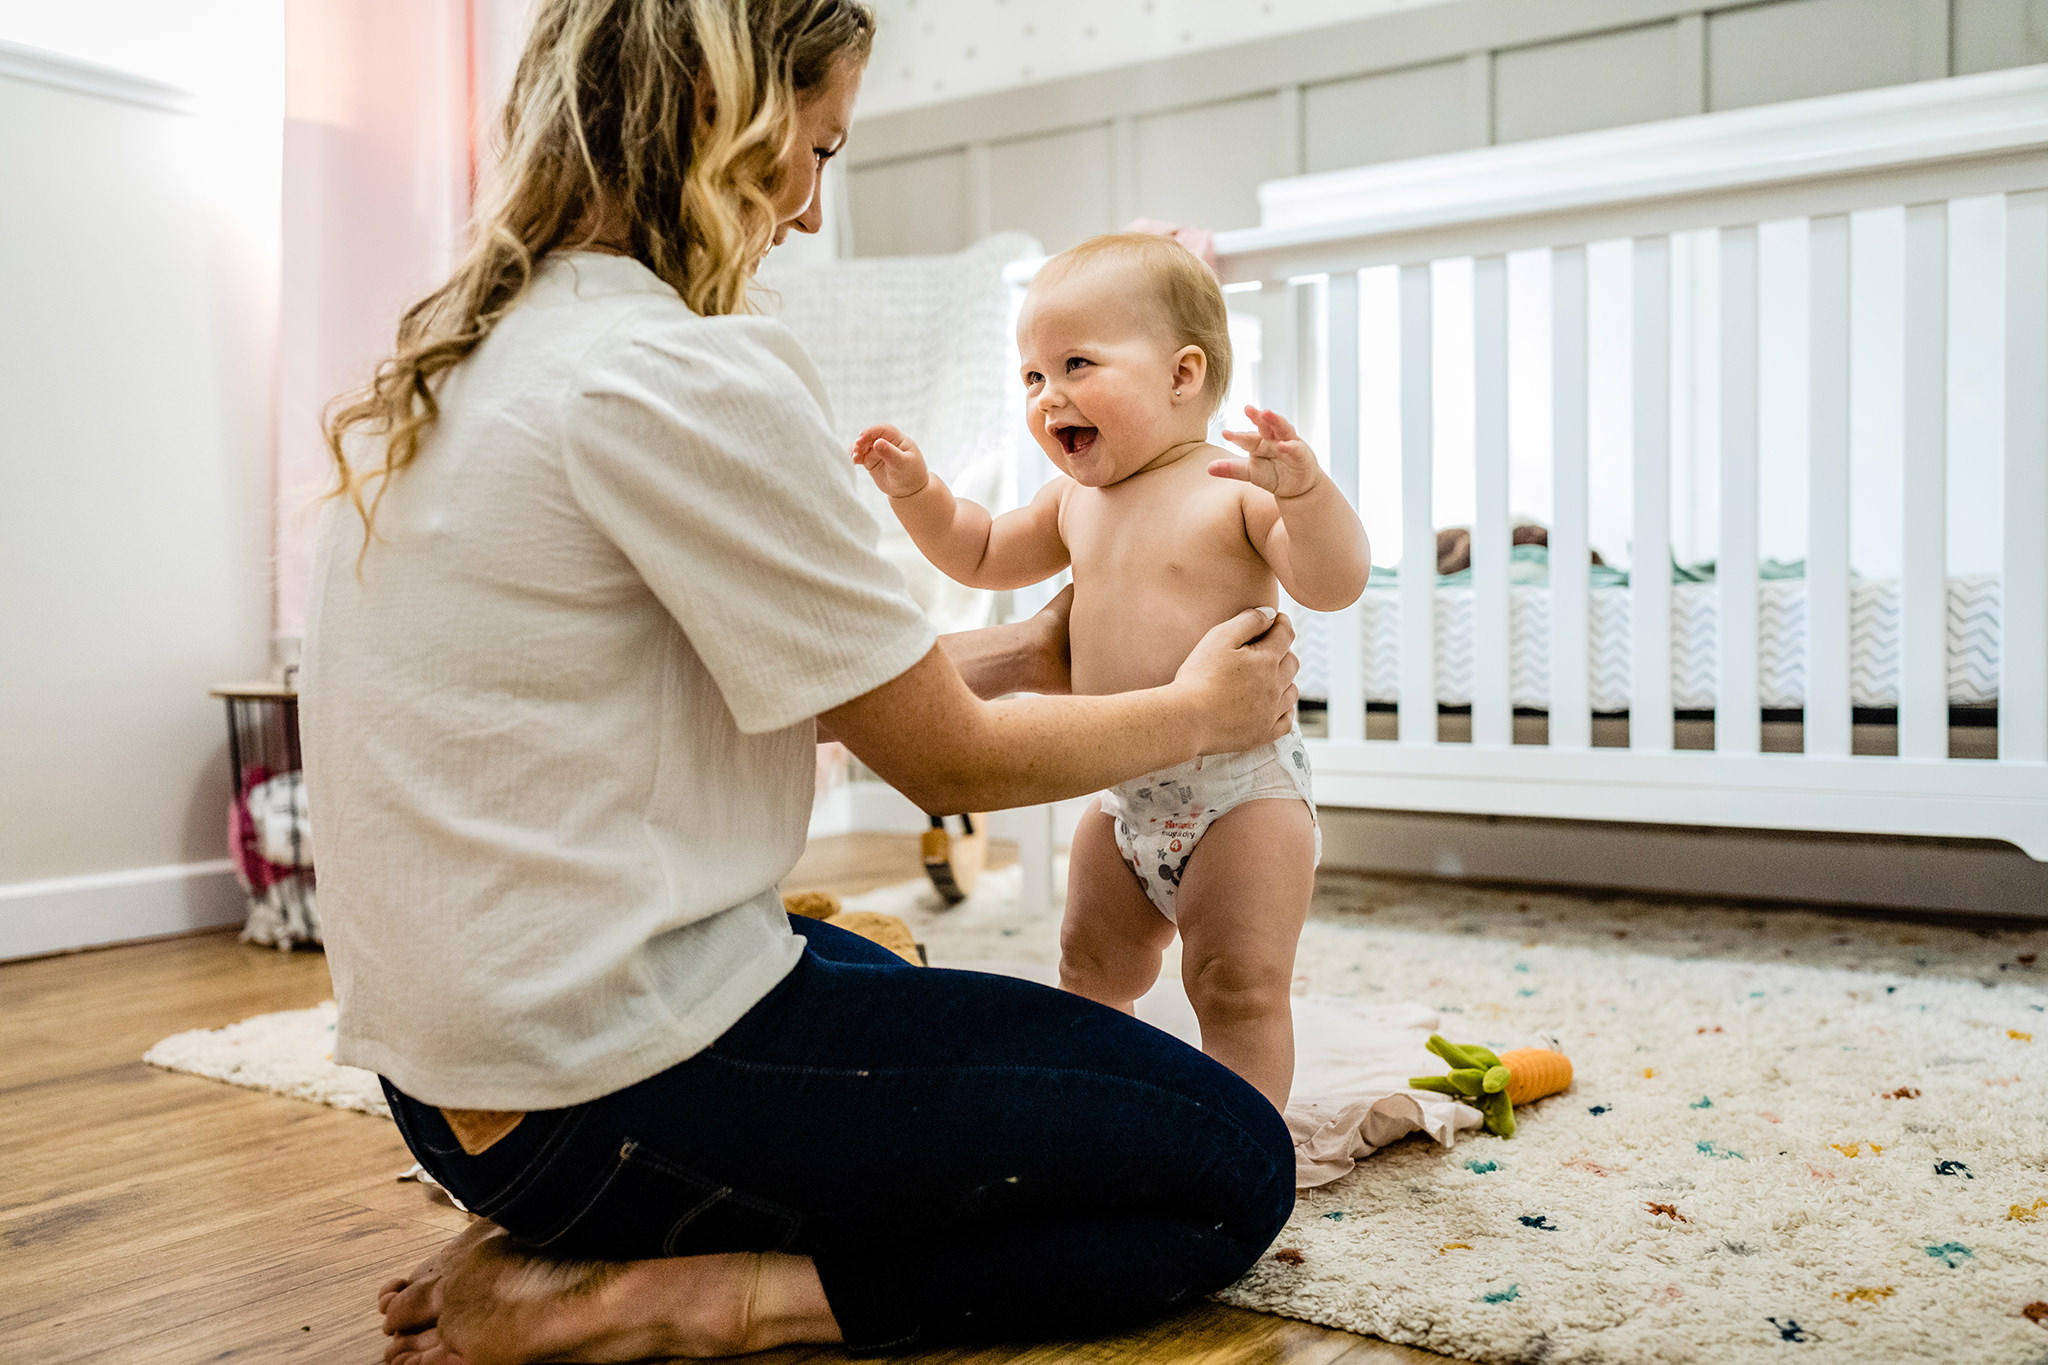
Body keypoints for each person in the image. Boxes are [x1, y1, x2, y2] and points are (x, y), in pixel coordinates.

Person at [299, 3, 1303, 1362]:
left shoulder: (462, 367)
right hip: (596, 1096)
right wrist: (1204, 714)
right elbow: (946, 761)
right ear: (729, 119)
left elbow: (819, 687)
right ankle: (687, 1295)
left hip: (455, 1091)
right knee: (1229, 1159)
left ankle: (563, 1226)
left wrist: (1030, 646)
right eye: (818, 151)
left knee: (887, 967)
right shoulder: (676, 371)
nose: (815, 213)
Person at [851, 234, 1370, 1112]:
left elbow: (1334, 580)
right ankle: (1098, 1113)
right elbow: (979, 552)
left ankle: (1240, 1143)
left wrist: (1306, 497)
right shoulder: (1069, 502)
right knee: (1089, 965)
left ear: (1182, 374)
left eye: (1076, 364)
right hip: (1122, 794)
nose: (1048, 395)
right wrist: (919, 495)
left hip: (1240, 794)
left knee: (1234, 985)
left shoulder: (1228, 490)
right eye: (1032, 377)